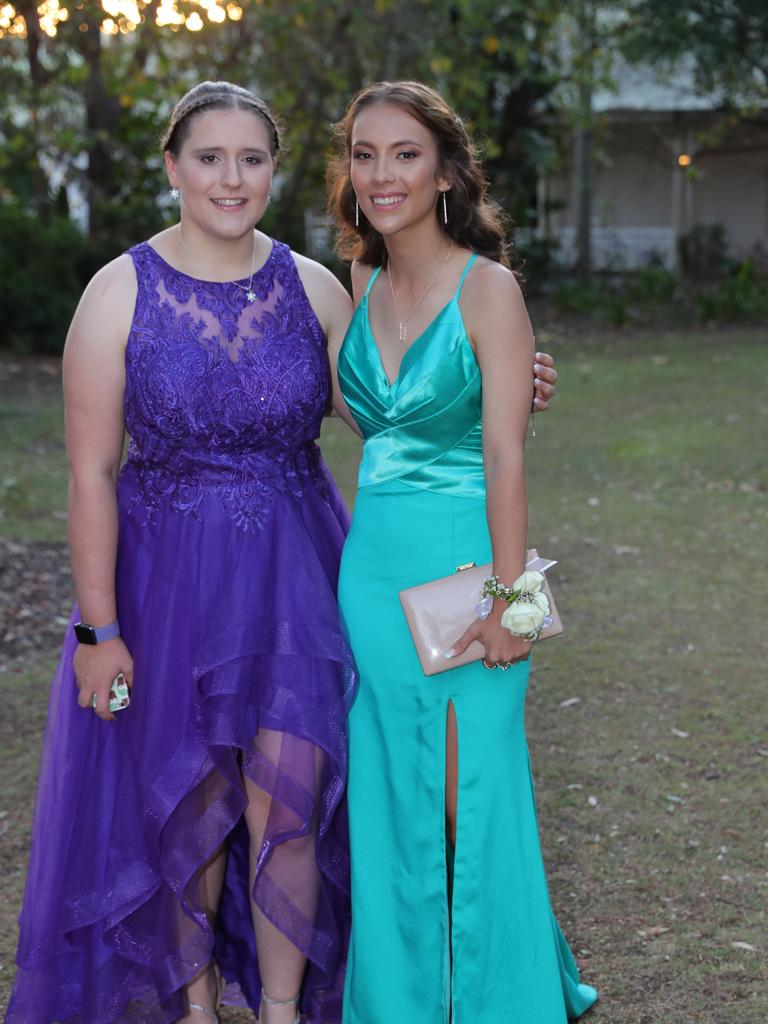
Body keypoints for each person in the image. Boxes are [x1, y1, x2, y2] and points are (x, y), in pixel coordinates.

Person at [5, 81, 557, 1024]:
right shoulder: (115, 291)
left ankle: (284, 1011)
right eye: (210, 157)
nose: (232, 177)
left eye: (252, 158)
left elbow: (385, 404)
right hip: (166, 585)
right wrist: (99, 625)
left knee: (286, 799)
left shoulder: (314, 286)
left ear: (275, 170)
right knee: (186, 810)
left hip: (296, 582)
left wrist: (502, 373)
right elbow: (91, 474)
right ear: (173, 165)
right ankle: (190, 1011)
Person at [328, 81, 597, 1024]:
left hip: (469, 567)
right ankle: (399, 1002)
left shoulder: (491, 289)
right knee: (396, 793)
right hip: (370, 581)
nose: (382, 174)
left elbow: (506, 454)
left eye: (404, 154)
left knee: (468, 792)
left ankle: (505, 996)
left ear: (445, 172)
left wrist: (511, 605)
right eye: (364, 154)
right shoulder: (353, 288)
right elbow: (310, 399)